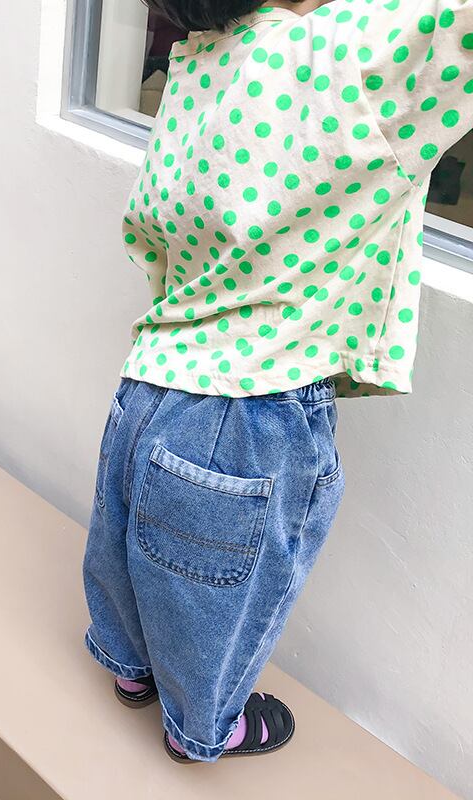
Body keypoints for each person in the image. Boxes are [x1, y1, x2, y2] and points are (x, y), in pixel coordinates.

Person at [82, 0, 473, 763]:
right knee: (212, 594)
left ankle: (129, 669)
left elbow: (149, 229)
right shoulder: (350, 53)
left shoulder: (199, 62)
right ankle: (200, 728)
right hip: (255, 399)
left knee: (124, 541)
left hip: (153, 373)